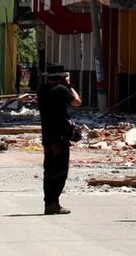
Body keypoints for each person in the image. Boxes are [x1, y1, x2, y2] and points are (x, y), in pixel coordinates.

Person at [37, 62, 81, 216]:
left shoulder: (42, 90)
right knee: (61, 170)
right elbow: (77, 102)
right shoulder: (62, 90)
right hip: (60, 136)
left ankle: (49, 202)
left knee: (48, 170)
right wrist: (69, 85)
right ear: (61, 77)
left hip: (47, 136)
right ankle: (54, 203)